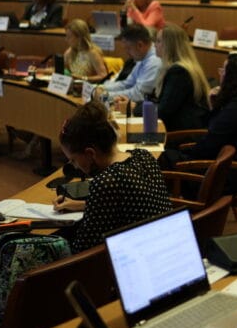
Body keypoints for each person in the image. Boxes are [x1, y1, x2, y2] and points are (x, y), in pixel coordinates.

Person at [53, 101, 172, 253]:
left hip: (140, 254)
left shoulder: (107, 182)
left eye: (74, 160)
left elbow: (84, 247)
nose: (75, 166)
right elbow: (129, 204)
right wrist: (82, 205)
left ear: (90, 153)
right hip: (166, 243)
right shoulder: (143, 156)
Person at [172, 53, 237, 164]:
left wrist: (182, 152)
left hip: (222, 170)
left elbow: (209, 145)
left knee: (160, 156)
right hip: (221, 162)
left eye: (223, 71)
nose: (220, 74)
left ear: (232, 77)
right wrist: (214, 106)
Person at [154, 24, 211, 132]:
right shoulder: (179, 68)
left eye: (158, 41)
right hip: (178, 129)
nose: (155, 45)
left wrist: (136, 109)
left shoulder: (179, 72)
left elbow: (163, 111)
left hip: (181, 134)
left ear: (170, 45)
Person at [94, 24, 162, 104]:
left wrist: (106, 95)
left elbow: (139, 94)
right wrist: (100, 88)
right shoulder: (143, 57)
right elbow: (126, 84)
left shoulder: (154, 62)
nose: (127, 53)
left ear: (140, 45)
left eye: (128, 48)